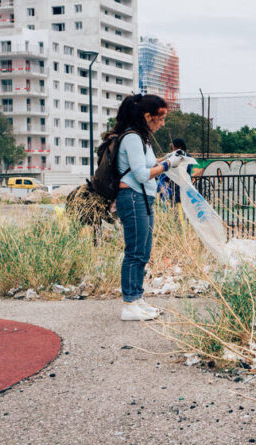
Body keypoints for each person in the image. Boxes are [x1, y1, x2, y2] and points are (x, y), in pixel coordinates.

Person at [108, 94, 180, 321]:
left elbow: (147, 166)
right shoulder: (132, 138)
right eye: (161, 118)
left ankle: (137, 299)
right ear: (147, 116)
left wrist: (167, 159)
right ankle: (129, 304)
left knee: (143, 251)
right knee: (135, 251)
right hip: (132, 196)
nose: (163, 123)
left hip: (143, 198)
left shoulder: (142, 138)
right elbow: (140, 174)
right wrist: (168, 164)